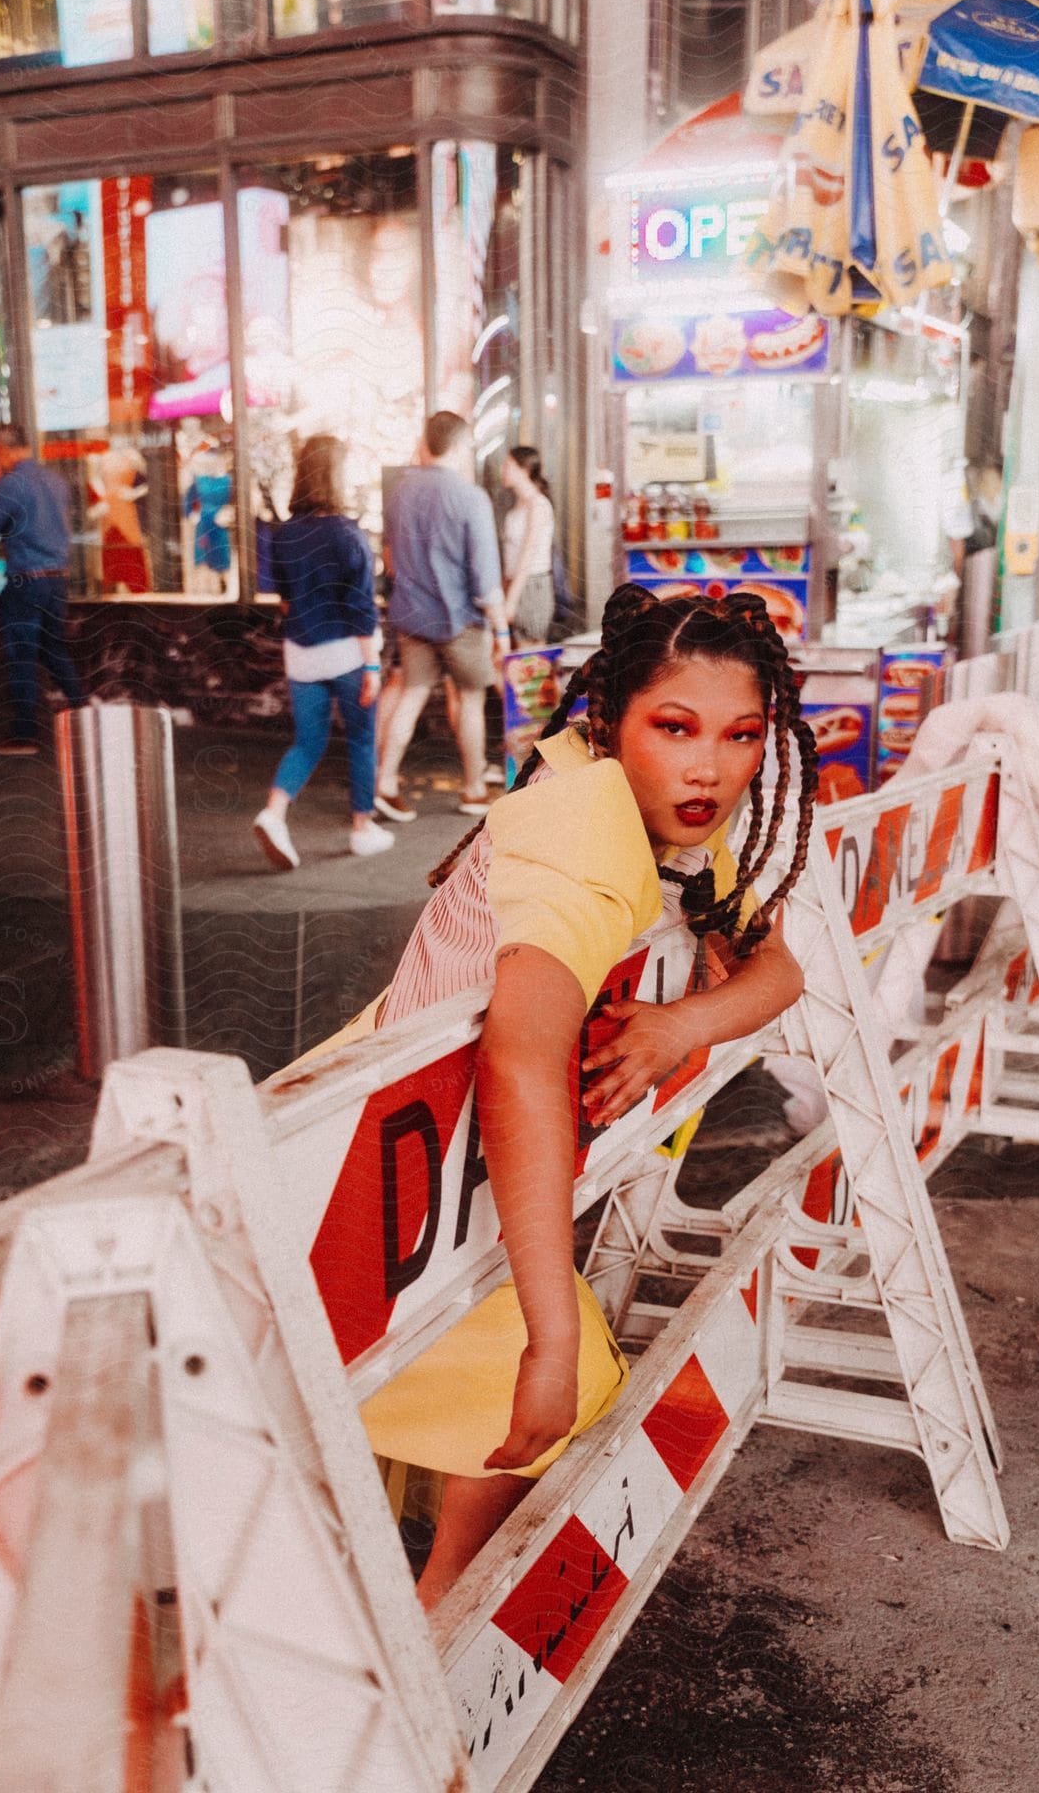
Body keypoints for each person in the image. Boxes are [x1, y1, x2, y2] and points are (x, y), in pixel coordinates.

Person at [298, 584, 819, 1607]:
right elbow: (520, 1058)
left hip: (433, 1160)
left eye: (741, 735)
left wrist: (683, 1020)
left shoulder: (651, 808)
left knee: (524, 1374)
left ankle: (432, 1598)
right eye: (674, 729)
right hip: (359, 1170)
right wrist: (551, 1330)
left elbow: (777, 967)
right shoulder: (584, 829)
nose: (709, 765)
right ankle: (434, 1611)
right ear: (615, 718)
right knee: (560, 1373)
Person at [253, 434, 393, 867]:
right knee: (361, 738)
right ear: (337, 476)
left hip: (300, 652)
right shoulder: (349, 535)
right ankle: (362, 828)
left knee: (308, 741)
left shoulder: (283, 535)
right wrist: (371, 664)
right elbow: (361, 609)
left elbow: (285, 600)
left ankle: (274, 812)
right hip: (348, 653)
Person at [374, 411, 509, 822]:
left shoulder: (399, 491)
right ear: (460, 445)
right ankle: (472, 788)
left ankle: (384, 782)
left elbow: (391, 557)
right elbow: (486, 578)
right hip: (460, 620)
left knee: (412, 695)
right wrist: (501, 629)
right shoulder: (470, 497)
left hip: (413, 614)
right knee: (470, 699)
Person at [0, 422, 85, 758]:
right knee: (54, 649)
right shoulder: (55, 480)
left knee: (21, 653)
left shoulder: (11, 484)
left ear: (4, 449)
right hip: (57, 577)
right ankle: (85, 715)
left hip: (26, 579)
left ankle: (24, 734)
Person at [500, 444, 556, 646]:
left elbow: (527, 556)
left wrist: (511, 600)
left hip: (532, 586)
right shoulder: (519, 504)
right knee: (519, 658)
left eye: (508, 465)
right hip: (516, 583)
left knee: (530, 657)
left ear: (524, 470)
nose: (502, 470)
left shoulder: (537, 505)